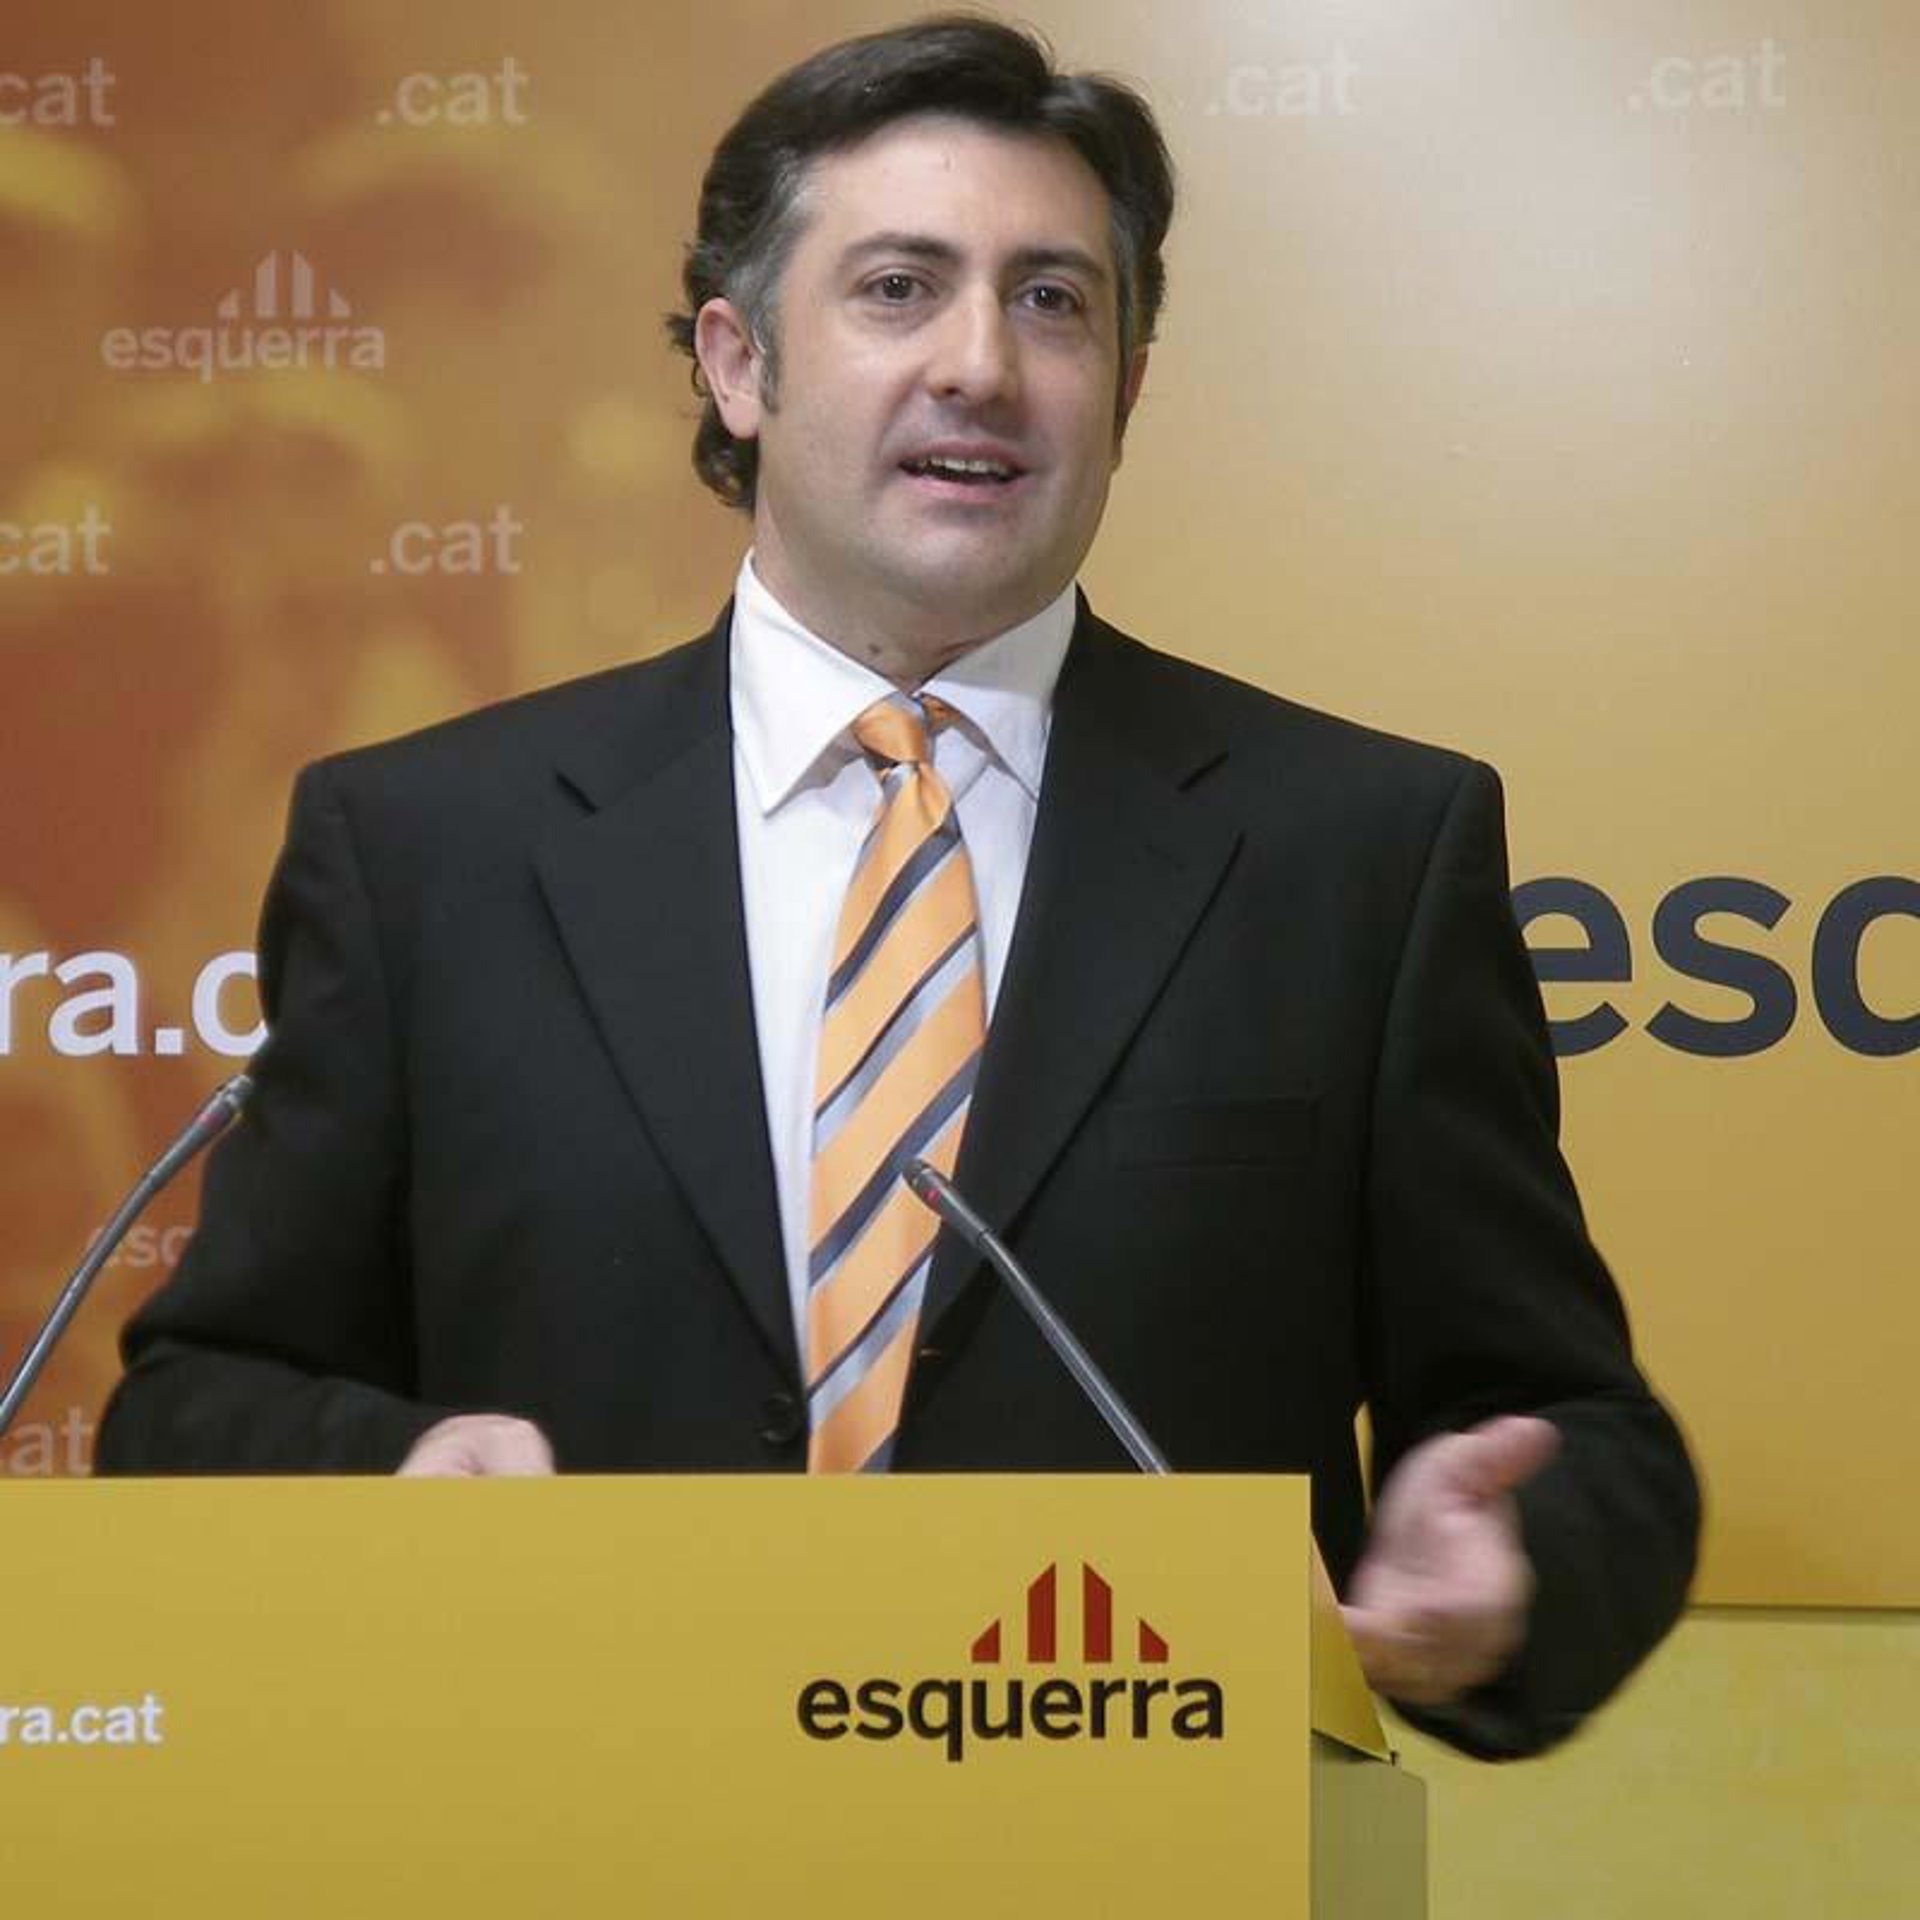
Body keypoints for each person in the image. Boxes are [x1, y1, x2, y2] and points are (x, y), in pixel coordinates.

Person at [97, 15, 1698, 1756]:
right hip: (564, 1812)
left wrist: (1512, 1564)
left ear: (1128, 393)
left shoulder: (1357, 853)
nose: (981, 367)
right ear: (737, 364)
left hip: (1138, 1838)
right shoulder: (428, 849)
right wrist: (396, 1465)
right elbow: (194, 1405)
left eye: (1053, 302)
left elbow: (1577, 1435)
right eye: (896, 290)